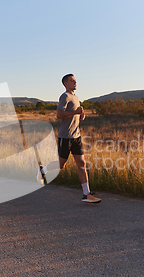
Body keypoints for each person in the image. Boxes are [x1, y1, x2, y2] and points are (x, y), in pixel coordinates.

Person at [37, 74, 101, 203]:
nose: (75, 82)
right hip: (65, 136)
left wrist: (81, 115)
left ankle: (86, 194)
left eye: (75, 80)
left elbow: (75, 116)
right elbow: (59, 114)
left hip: (76, 136)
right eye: (72, 81)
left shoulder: (76, 97)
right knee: (61, 165)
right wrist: (75, 112)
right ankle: (43, 170)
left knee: (81, 164)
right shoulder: (64, 96)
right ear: (65, 83)